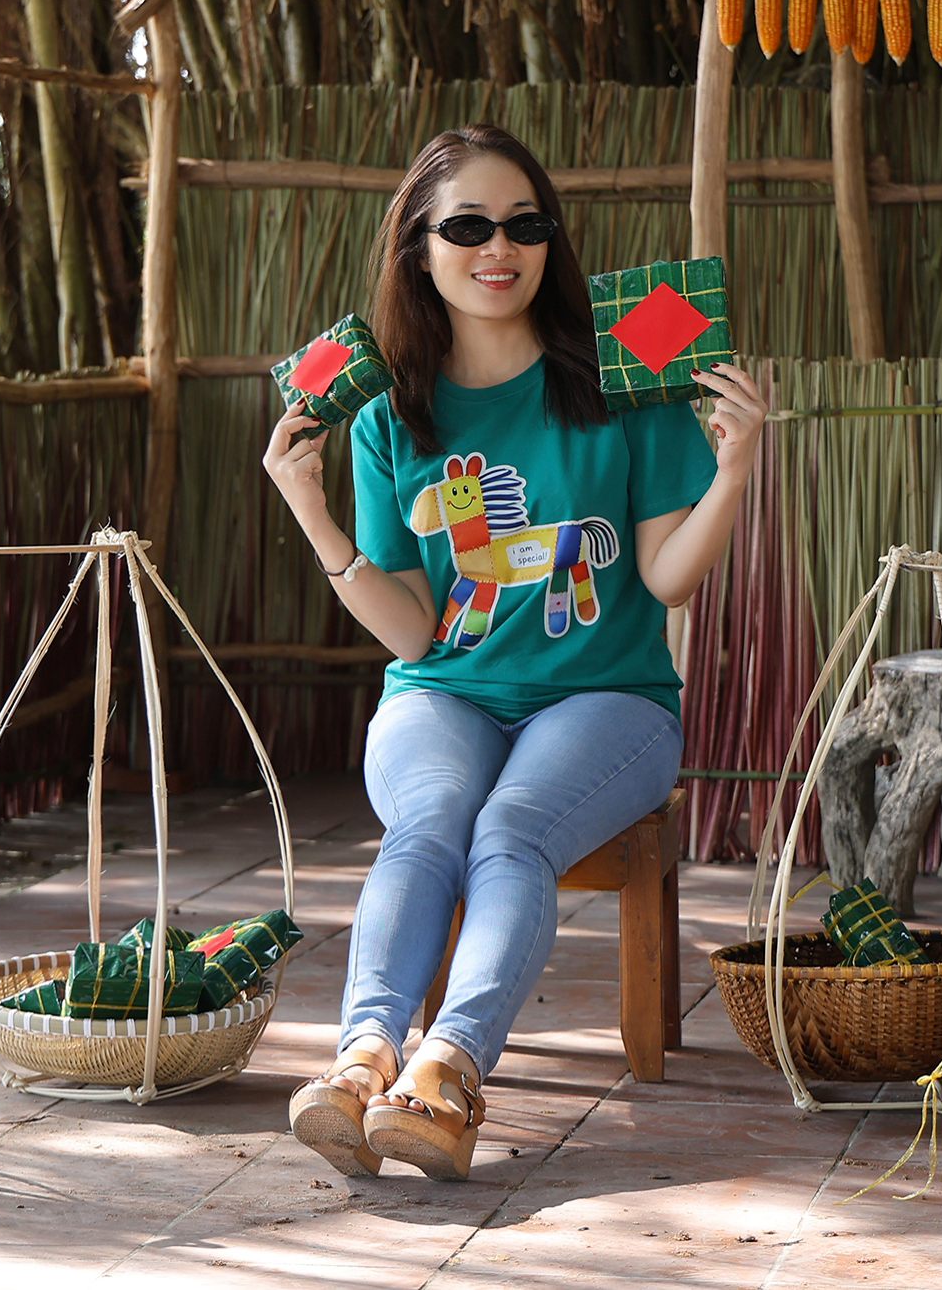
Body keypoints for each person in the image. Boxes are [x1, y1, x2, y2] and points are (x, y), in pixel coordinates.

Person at [261, 124, 765, 1182]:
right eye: (468, 227)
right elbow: (412, 628)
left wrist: (732, 472)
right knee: (428, 820)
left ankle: (447, 1072)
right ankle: (361, 1060)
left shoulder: (622, 375)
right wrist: (310, 509)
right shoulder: (387, 414)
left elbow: (667, 578)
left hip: (608, 698)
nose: (500, 247)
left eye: (525, 224)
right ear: (418, 248)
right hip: (441, 693)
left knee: (510, 827)